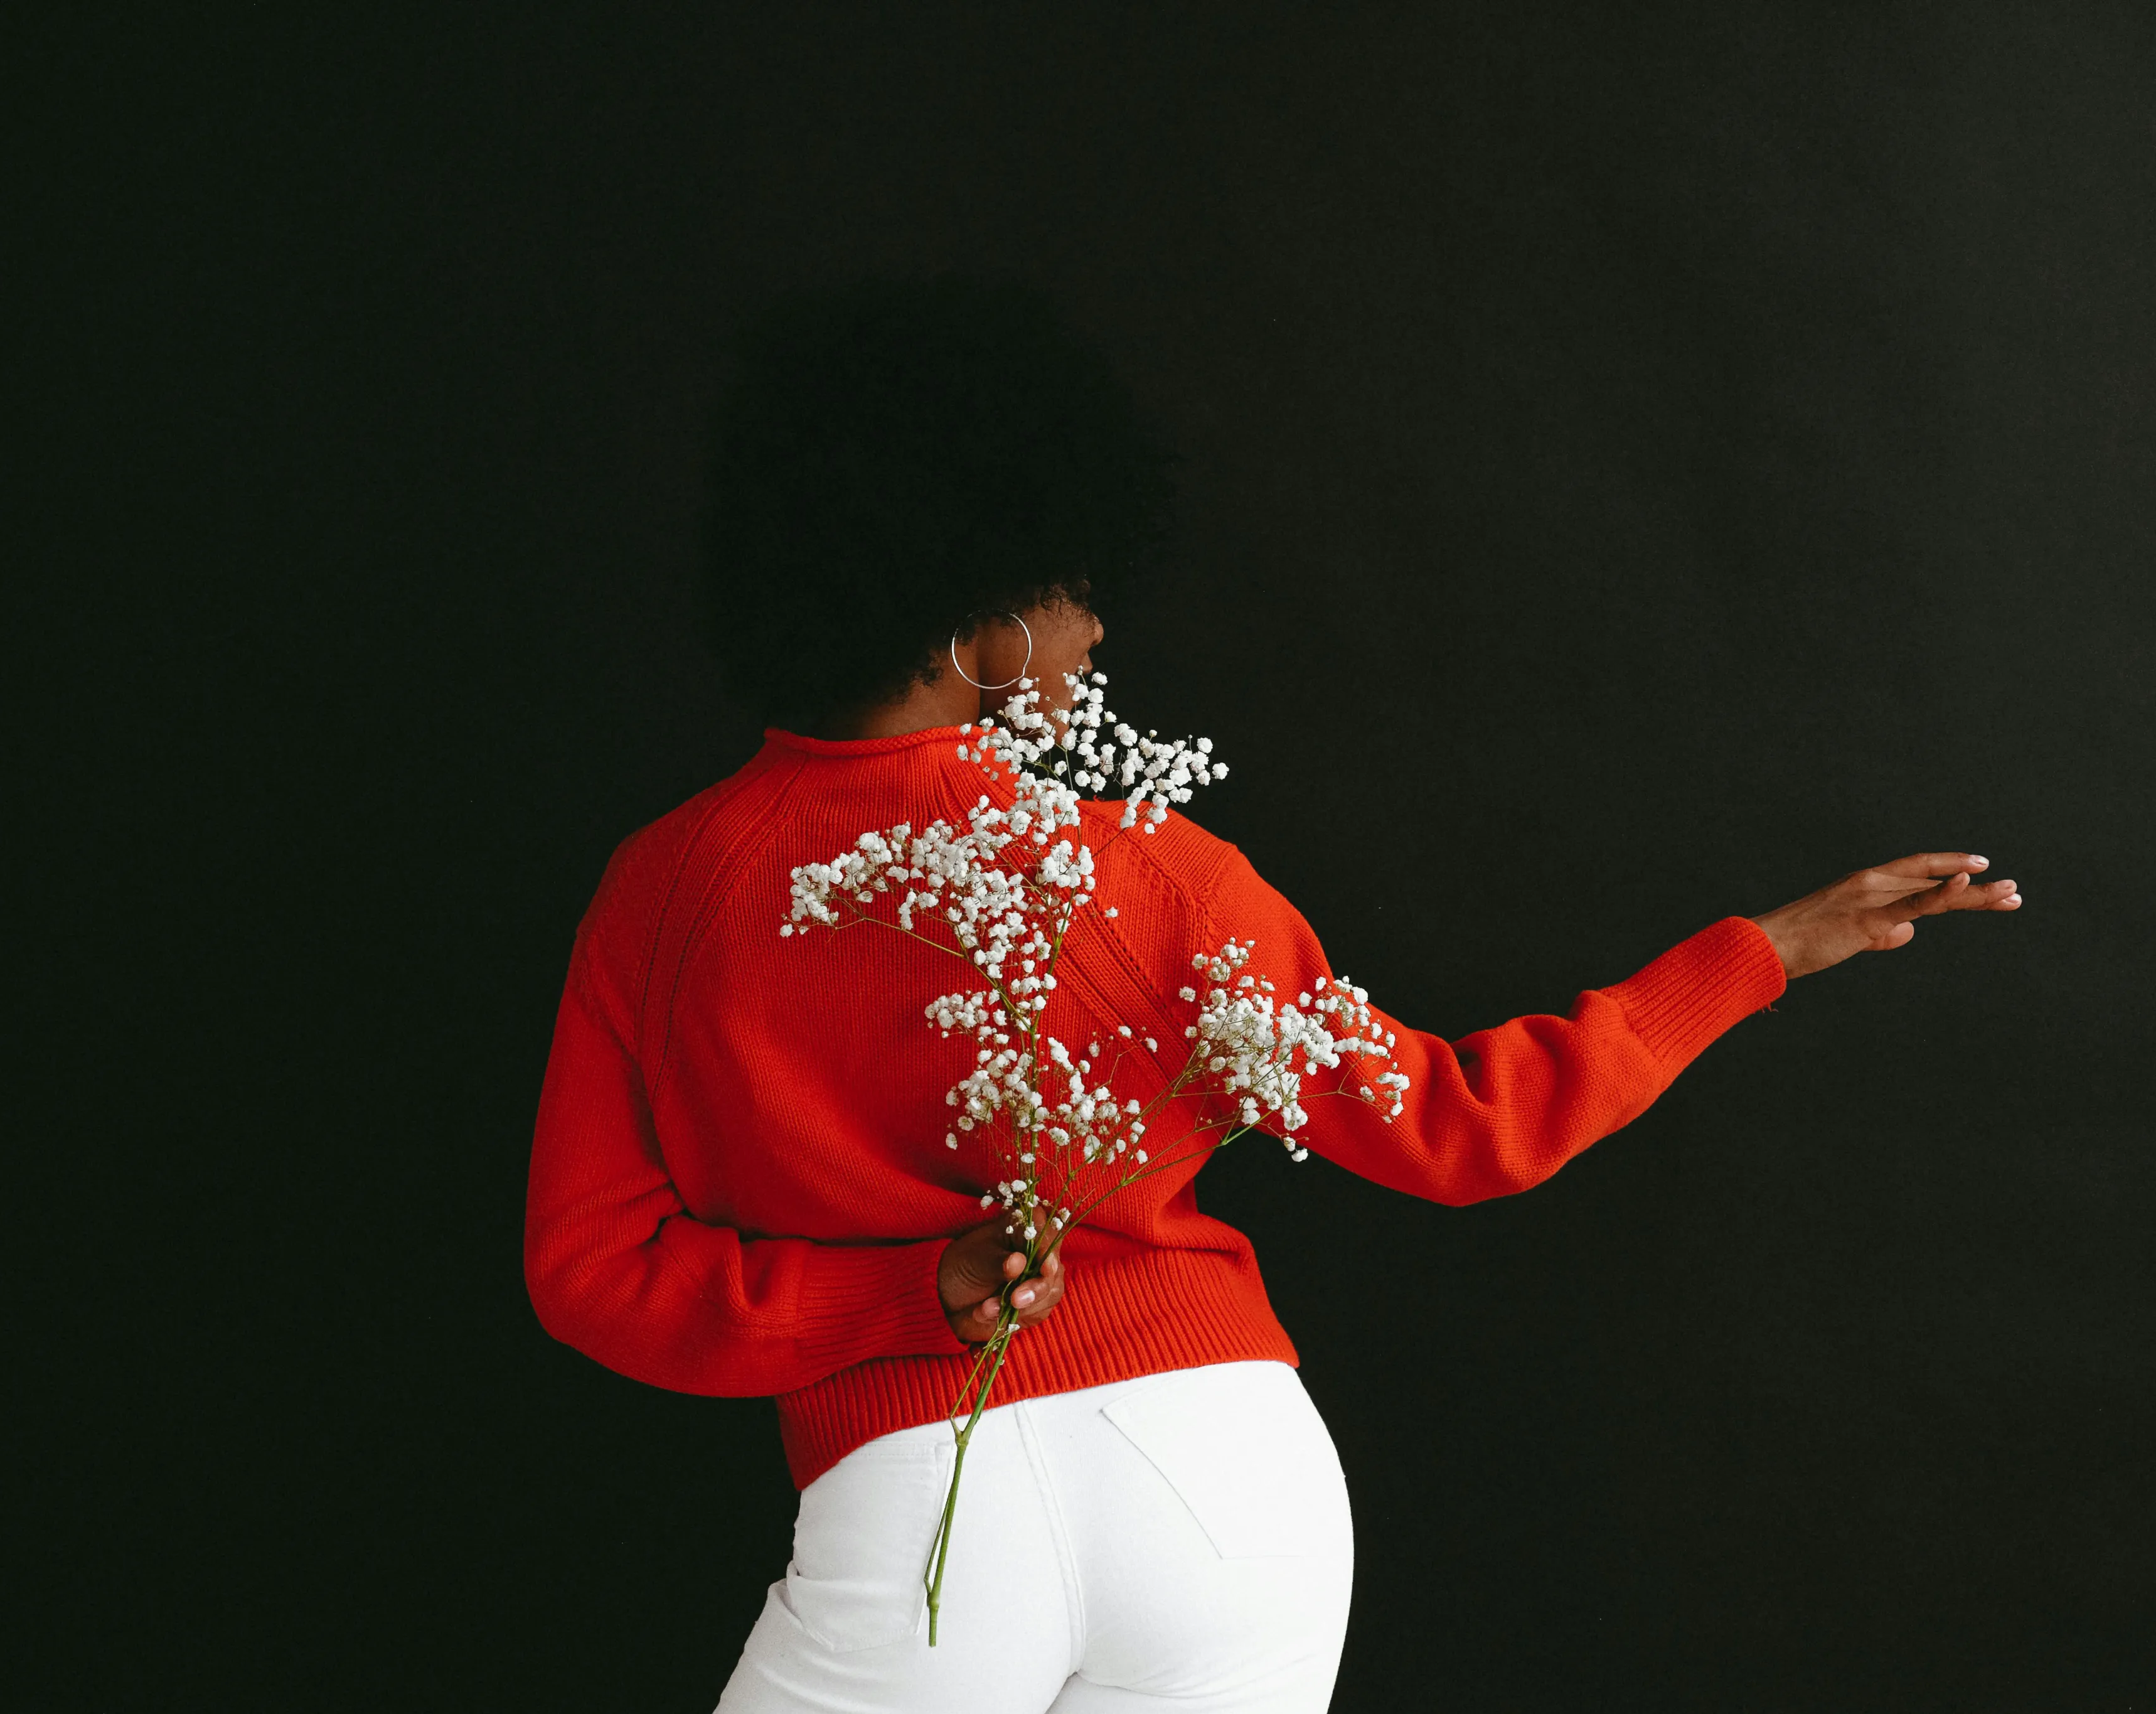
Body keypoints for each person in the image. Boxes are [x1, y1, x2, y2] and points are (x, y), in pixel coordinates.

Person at [523, 279, 2020, 1714]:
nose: (1096, 632)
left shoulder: (662, 895)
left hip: (924, 1503)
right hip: (1230, 1489)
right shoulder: (1140, 873)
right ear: (977, 631)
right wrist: (1756, 953)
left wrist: (906, 1296)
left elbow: (590, 1270)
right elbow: (1460, 1133)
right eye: (1071, 593)